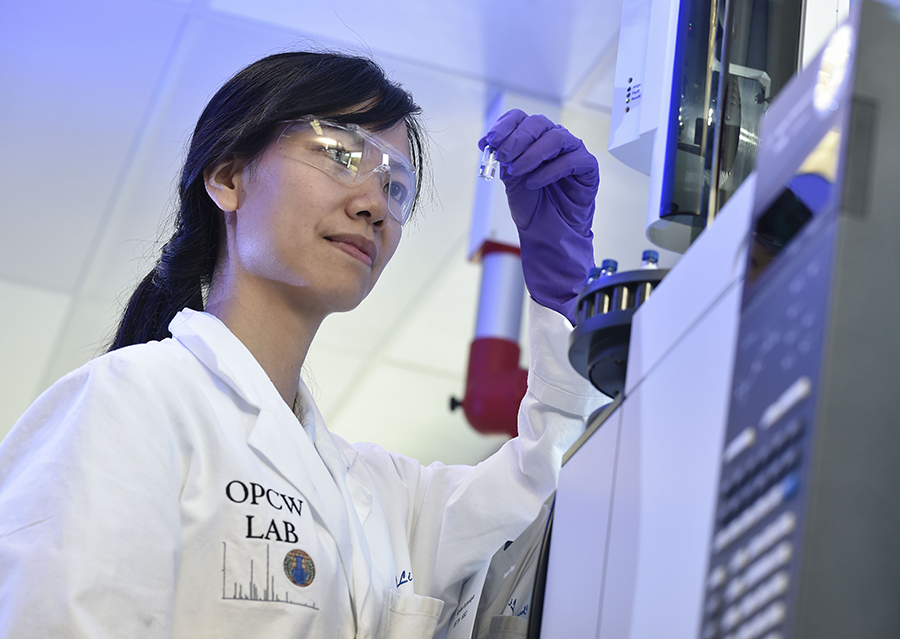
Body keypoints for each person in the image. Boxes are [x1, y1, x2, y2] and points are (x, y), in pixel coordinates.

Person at [0, 51, 604, 638]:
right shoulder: (129, 401)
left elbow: (561, 485)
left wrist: (566, 297)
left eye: (395, 186)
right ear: (228, 177)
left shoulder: (387, 499)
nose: (373, 205)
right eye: (340, 155)